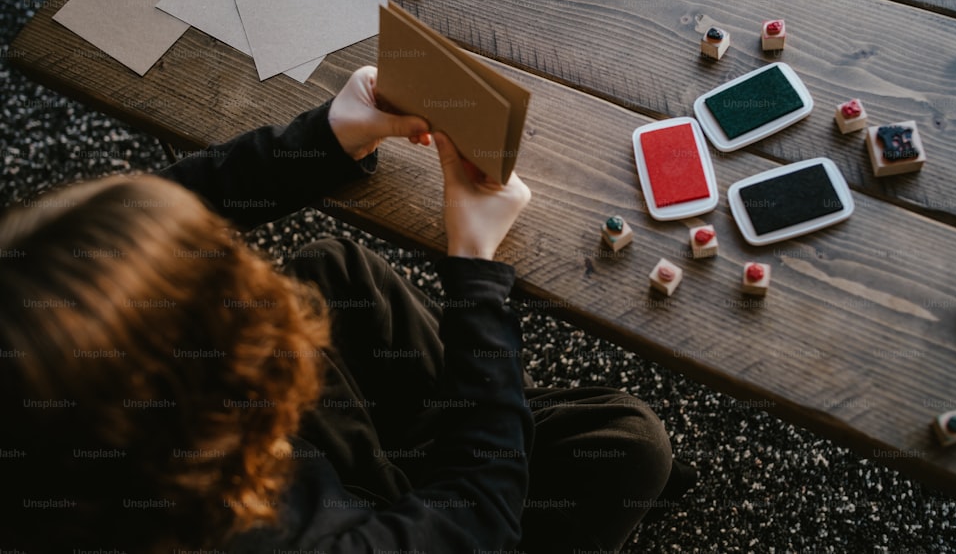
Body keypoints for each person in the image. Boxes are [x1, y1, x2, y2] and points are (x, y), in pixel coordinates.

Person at [0, 67, 693, 552]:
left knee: (333, 267)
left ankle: (462, 431)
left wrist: (328, 135)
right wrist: (475, 268)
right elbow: (475, 519)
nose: (250, 263)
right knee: (630, 444)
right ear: (232, 392)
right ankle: (477, 444)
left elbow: (169, 207)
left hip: (297, 465)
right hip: (410, 519)